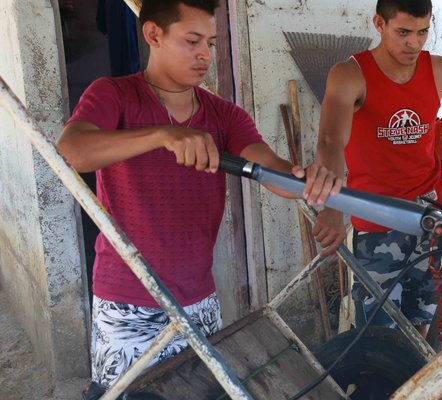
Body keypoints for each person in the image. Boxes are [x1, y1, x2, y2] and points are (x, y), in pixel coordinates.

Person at [56, 0, 340, 394]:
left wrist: (310, 183)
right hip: (129, 300)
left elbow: (269, 169)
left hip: (199, 298)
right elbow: (73, 150)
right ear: (153, 34)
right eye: (192, 41)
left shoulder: (224, 115)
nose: (205, 55)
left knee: (199, 391)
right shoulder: (115, 95)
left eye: (210, 42)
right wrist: (162, 134)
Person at [305, 0, 442, 335]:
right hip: (375, 219)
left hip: (428, 218)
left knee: (419, 327)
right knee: (377, 335)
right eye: (403, 32)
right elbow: (331, 140)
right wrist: (331, 203)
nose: (414, 43)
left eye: (423, 32)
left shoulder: (438, 70)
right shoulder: (350, 75)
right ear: (379, 24)